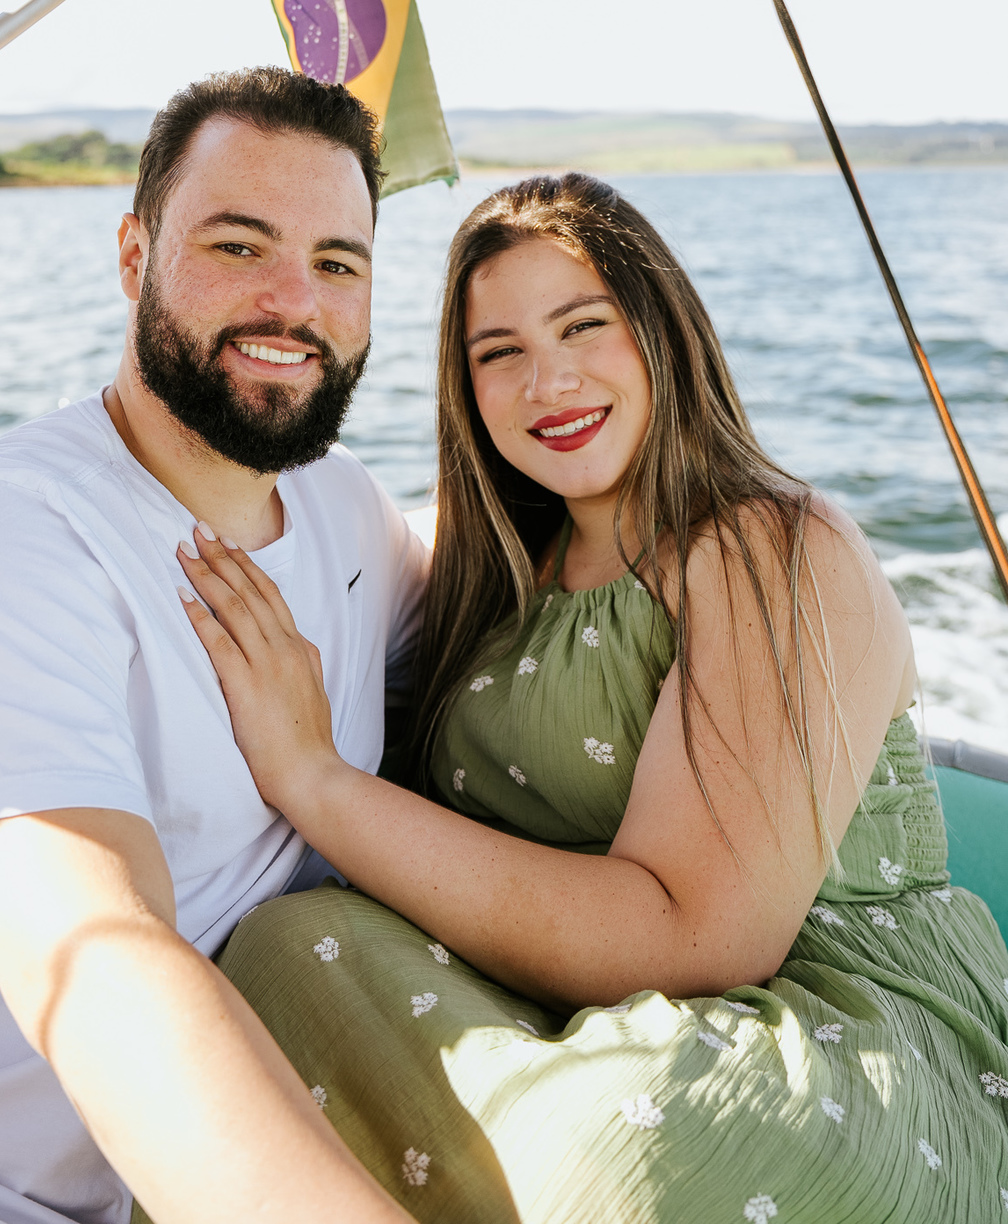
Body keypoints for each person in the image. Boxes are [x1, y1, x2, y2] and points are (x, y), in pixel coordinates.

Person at [178, 171, 1008, 1224]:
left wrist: (313, 779)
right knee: (276, 960)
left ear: (663, 332)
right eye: (499, 354)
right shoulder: (494, 574)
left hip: (820, 1025)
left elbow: (701, 939)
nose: (549, 382)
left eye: (583, 327)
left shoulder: (776, 546)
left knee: (625, 1165)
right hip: (563, 1005)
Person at [0, 69, 427, 1224]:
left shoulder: (345, 508)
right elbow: (100, 959)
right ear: (136, 256)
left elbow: (509, 604)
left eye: (338, 264)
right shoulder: (7, 539)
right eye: (239, 246)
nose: (294, 302)